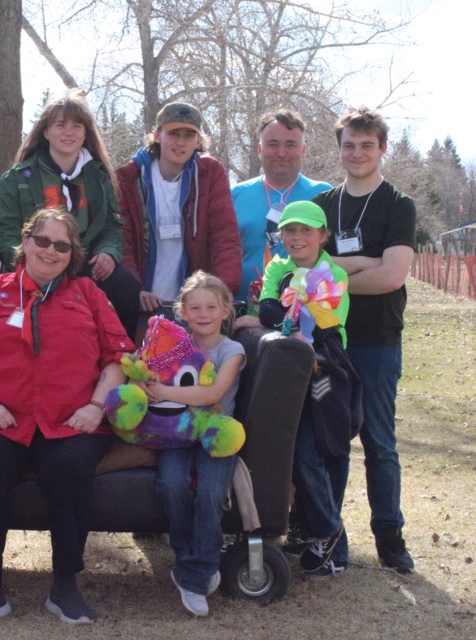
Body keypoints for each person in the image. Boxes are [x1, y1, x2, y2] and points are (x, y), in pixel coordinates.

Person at [0, 208, 132, 625]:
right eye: (42, 240)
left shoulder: (88, 294)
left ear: (72, 253)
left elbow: (119, 357)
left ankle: (65, 585)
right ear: (25, 243)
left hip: (72, 418)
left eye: (61, 245)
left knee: (69, 465)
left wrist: (96, 405)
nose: (50, 250)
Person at [314, 107, 416, 574]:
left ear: (382, 150)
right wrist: (361, 264)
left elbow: (392, 277)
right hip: (331, 339)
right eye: (349, 145)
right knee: (330, 440)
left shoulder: (398, 204)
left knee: (378, 442)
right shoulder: (324, 205)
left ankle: (389, 536)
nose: (357, 153)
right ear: (339, 150)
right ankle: (329, 534)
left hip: (377, 340)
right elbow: (309, 271)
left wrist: (336, 274)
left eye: (366, 145)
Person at [235, 200, 352, 576]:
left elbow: (318, 321)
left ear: (323, 235)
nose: (297, 237)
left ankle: (332, 535)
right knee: (288, 450)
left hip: (324, 369)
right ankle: (306, 528)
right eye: (290, 231)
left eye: (306, 230)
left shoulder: (333, 273)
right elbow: (271, 307)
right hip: (287, 366)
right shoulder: (277, 266)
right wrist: (277, 318)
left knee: (315, 449)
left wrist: (277, 318)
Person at [0, 90, 140, 340]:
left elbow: (112, 227)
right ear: (46, 132)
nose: (68, 132)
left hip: (87, 266)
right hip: (36, 265)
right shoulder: (17, 178)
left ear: (86, 134)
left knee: (125, 284)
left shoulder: (99, 176)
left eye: (77, 125)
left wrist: (108, 253)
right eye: (60, 125)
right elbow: (5, 233)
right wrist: (33, 261)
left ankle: (119, 359)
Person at [141, 271, 244, 617]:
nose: (203, 314)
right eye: (195, 307)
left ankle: (196, 576)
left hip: (215, 433)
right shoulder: (173, 346)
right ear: (182, 312)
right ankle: (190, 561)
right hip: (176, 431)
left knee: (212, 492)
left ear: (225, 310)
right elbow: (145, 373)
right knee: (170, 484)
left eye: (211, 307)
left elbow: (213, 393)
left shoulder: (233, 350)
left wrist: (166, 392)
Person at [117, 102, 241, 325]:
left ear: (198, 141)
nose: (180, 142)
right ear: (157, 135)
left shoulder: (210, 173)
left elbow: (225, 237)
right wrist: (133, 289)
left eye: (189, 135)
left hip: (193, 308)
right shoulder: (129, 177)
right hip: (142, 302)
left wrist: (220, 291)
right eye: (173, 133)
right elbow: (122, 240)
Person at [231, 109, 332, 304]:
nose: (281, 152)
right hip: (243, 311)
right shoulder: (235, 195)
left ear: (303, 150)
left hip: (305, 313)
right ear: (260, 150)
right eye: (273, 144)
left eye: (290, 144)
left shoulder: (324, 195)